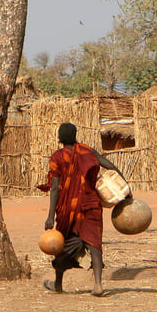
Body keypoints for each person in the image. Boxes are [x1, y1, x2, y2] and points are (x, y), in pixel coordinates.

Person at [38, 122, 125, 296]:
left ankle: (58, 284)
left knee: (62, 244)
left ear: (60, 138)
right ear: (75, 135)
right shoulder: (87, 151)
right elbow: (112, 167)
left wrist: (49, 217)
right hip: (91, 204)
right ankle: (98, 284)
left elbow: (55, 188)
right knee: (94, 244)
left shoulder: (57, 157)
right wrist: (124, 189)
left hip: (68, 209)